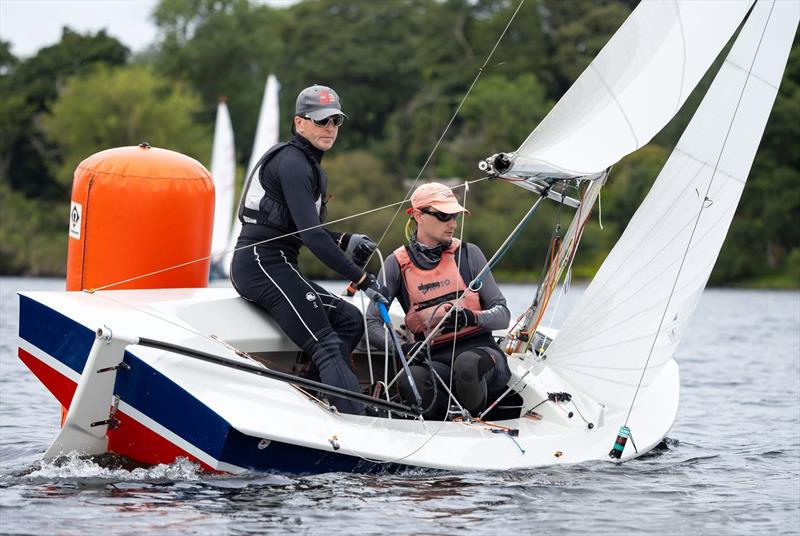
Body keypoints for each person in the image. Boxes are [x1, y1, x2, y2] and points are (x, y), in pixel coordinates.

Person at [230, 84, 386, 416]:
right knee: (327, 344)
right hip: (260, 264)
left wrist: (343, 239)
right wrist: (363, 279)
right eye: (320, 121)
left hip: (280, 262)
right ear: (299, 123)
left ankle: (312, 401)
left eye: (335, 121)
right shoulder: (293, 163)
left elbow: (302, 227)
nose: (329, 128)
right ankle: (357, 423)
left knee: (349, 319)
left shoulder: (307, 164)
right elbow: (312, 239)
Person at [366, 182, 511, 420]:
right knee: (410, 378)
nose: (453, 223)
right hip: (434, 360)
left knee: (466, 365)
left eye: (454, 216)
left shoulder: (468, 253)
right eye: (444, 216)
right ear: (417, 215)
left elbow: (503, 314)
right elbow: (371, 322)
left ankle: (474, 424)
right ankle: (434, 428)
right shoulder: (395, 264)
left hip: (481, 354)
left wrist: (471, 316)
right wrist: (403, 350)